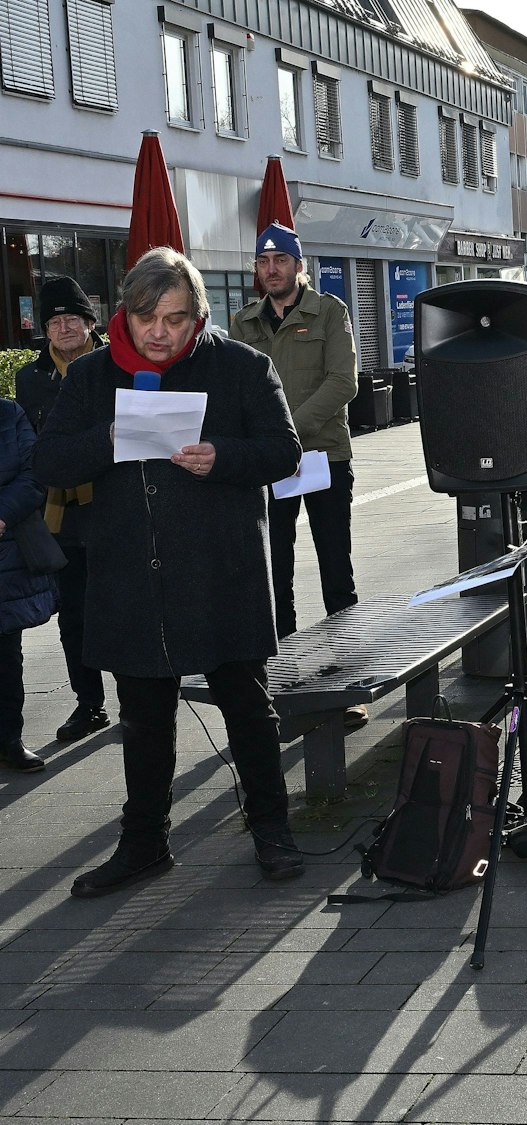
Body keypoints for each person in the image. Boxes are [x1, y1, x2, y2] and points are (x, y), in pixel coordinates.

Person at [36, 247, 307, 897]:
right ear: (123, 314)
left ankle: (271, 827)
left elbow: (285, 451)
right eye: (145, 316)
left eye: (176, 319)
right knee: (144, 714)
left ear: (198, 316)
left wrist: (223, 456)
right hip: (132, 573)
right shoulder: (92, 377)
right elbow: (50, 463)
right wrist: (108, 437)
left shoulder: (242, 365)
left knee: (247, 704)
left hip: (222, 568)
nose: (159, 332)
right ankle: (145, 842)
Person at [229, 224, 365, 728]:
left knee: (336, 570)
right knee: (274, 574)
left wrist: (287, 430)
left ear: (298, 265)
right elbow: (240, 389)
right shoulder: (244, 322)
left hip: (324, 457)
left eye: (280, 260)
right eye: (263, 262)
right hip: (270, 466)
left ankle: (348, 685)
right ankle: (282, 685)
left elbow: (343, 381)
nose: (271, 269)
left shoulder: (330, 312)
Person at [12, 275, 109, 744]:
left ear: (91, 324)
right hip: (62, 514)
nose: (64, 328)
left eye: (73, 319)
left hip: (117, 505)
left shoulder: (117, 364)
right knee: (73, 614)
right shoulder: (29, 379)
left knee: (130, 605)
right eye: (54, 322)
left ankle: (143, 698)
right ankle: (89, 704)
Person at [0, 396, 56, 773]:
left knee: (5, 656)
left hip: (5, 553)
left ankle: (8, 740)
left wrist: (1, 516)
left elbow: (34, 472)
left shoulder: (7, 413)